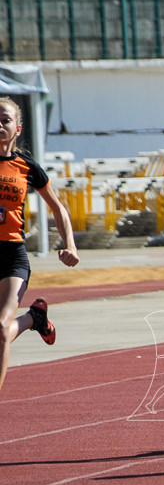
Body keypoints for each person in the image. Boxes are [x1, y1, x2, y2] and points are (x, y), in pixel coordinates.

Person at [0, 96, 79, 394]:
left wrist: (69, 244)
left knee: (0, 327)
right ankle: (34, 318)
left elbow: (58, 208)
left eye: (5, 120)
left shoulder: (26, 166)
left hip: (11, 257)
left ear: (18, 128)